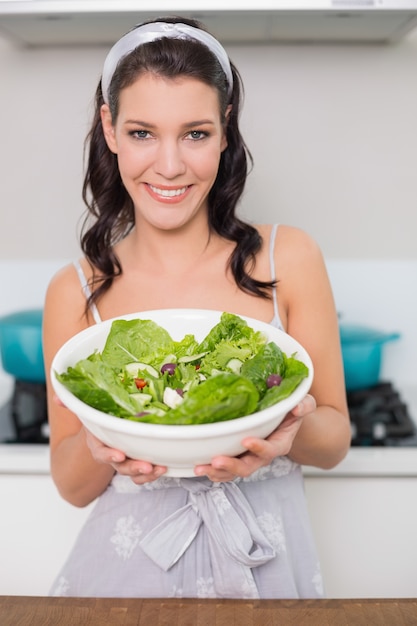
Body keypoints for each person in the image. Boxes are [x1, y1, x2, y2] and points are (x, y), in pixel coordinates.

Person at [43, 15, 351, 599]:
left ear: (225, 129)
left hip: (269, 574)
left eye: (195, 133)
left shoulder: (290, 258)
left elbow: (334, 440)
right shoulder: (75, 289)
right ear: (109, 128)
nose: (168, 165)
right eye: (141, 133)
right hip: (124, 583)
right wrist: (100, 446)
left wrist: (286, 432)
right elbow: (71, 482)